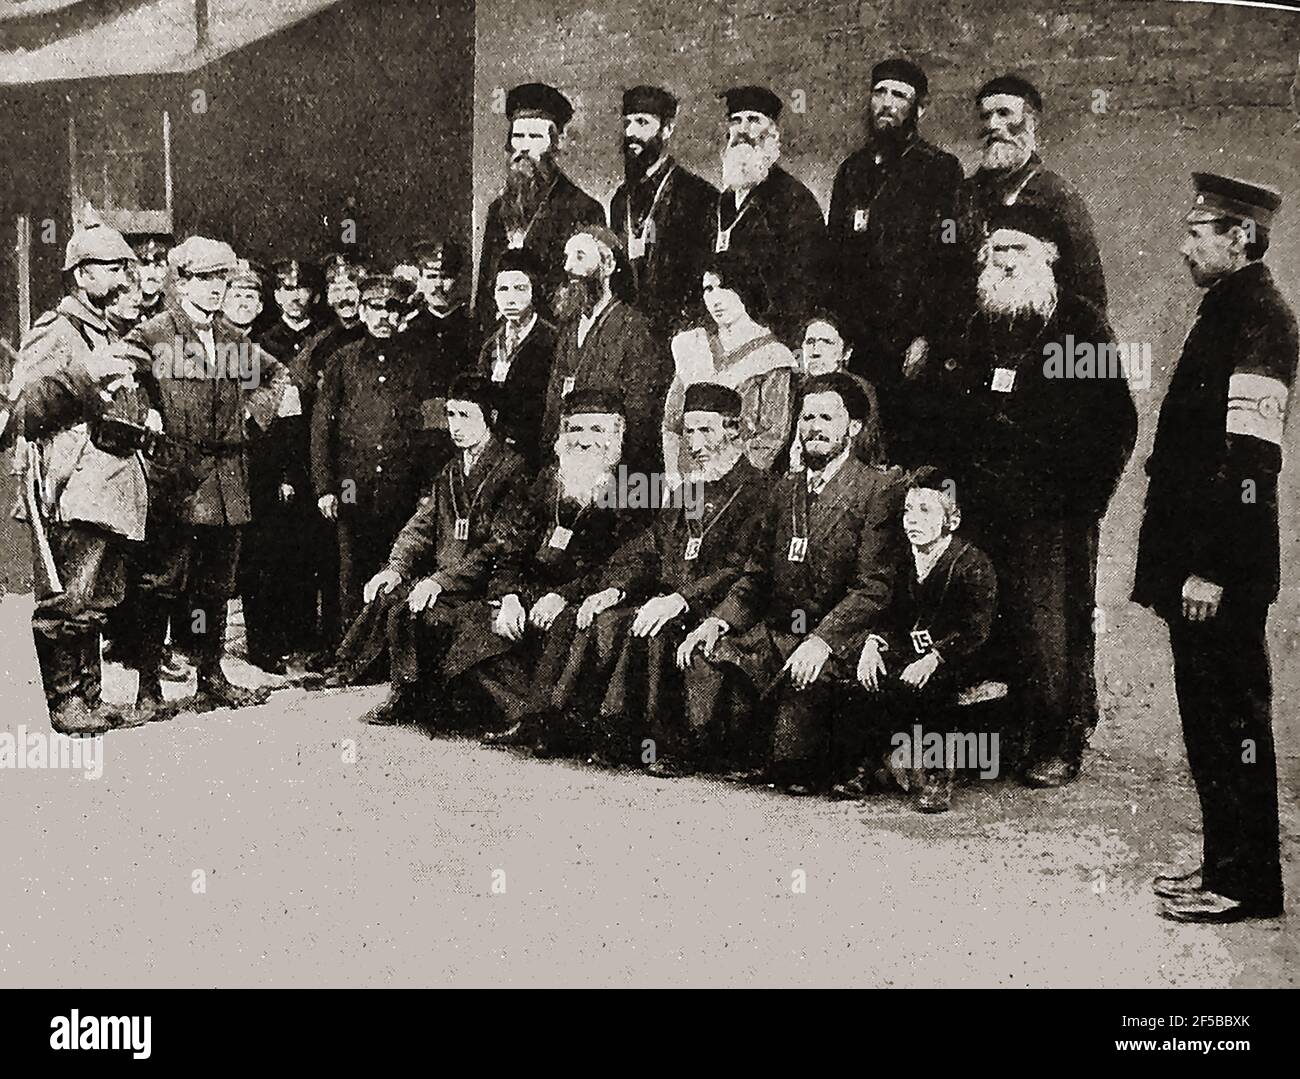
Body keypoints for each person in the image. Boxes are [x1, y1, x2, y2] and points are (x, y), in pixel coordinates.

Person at [1134, 174, 1295, 924]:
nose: (1184, 241)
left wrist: (1210, 568)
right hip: (1199, 563)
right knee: (1211, 722)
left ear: (1242, 237)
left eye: (1200, 229)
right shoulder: (1228, 309)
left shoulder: (1262, 318)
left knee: (1232, 723)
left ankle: (1248, 882)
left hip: (1219, 571)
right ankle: (1225, 864)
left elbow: (1250, 467)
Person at [932, 203, 1136, 787]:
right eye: (995, 250)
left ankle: (1060, 739)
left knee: (1051, 625)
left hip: (1052, 512)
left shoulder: (1081, 326)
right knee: (985, 621)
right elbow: (945, 413)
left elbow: (1117, 422)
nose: (1004, 261)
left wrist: (1082, 503)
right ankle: (995, 740)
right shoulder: (975, 324)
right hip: (981, 506)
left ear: (1047, 255)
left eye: (1017, 250)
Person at [677, 373, 903, 792]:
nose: (814, 427)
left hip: (837, 637)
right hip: (780, 633)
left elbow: (874, 587)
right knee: (708, 653)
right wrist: (718, 621)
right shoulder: (785, 489)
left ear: (853, 427)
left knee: (796, 765)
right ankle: (745, 749)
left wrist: (822, 641)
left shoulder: (877, 488)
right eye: (807, 417)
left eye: (827, 418)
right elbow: (757, 574)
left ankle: (807, 758)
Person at [562, 382, 770, 773]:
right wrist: (614, 589)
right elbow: (650, 550)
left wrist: (681, 600)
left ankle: (672, 745)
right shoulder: (685, 491)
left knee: (661, 629)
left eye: (706, 430)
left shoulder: (761, 491)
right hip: (672, 601)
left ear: (734, 430)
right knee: (608, 620)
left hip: (721, 609)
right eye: (689, 431)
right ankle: (612, 732)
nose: (695, 443)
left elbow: (741, 567)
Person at [124, 236, 291, 713]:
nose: (217, 289)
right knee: (161, 582)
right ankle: (148, 685)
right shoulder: (155, 335)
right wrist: (146, 417)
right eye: (206, 279)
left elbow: (279, 377)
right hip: (176, 477)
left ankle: (210, 675)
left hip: (227, 480)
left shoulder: (236, 341)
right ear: (182, 282)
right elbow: (123, 380)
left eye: (224, 279)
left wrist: (253, 414)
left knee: (215, 585)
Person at [6, 223, 156, 734]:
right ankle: (65, 701)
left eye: (125, 269)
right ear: (82, 275)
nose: (122, 278)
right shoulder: (58, 329)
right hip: (75, 484)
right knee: (69, 596)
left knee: (100, 597)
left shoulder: (109, 328)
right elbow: (22, 411)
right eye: (112, 269)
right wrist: (84, 374)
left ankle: (91, 698)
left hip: (113, 484)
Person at [326, 374, 530, 725]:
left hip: (484, 583)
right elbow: (421, 526)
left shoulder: (513, 470)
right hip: (447, 579)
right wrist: (395, 567)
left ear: (491, 418)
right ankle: (395, 687)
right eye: (451, 415)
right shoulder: (451, 470)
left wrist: (440, 582)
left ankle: (411, 695)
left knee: (419, 610)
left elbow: (500, 547)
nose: (456, 426)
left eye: (466, 416)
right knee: (390, 594)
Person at [459, 389, 644, 750]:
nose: (584, 440)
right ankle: (525, 714)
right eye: (575, 429)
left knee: (566, 626)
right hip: (533, 593)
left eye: (596, 429)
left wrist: (562, 596)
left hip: (585, 597)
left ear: (616, 436)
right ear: (562, 436)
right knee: (473, 619)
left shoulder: (633, 487)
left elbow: (622, 564)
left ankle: (540, 721)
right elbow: (511, 546)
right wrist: (510, 595)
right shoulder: (546, 481)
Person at [825, 58, 962, 463]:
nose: (886, 103)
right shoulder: (851, 172)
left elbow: (950, 260)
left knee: (907, 453)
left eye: (899, 95)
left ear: (919, 109)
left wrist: (927, 337)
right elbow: (834, 261)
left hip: (911, 348)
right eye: (879, 92)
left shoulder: (941, 170)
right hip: (860, 344)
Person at [849, 467, 998, 812]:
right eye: (907, 510)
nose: (911, 520)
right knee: (866, 674)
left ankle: (937, 776)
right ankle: (867, 762)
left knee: (934, 687)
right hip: (913, 650)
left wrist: (934, 658)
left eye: (925, 511)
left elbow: (976, 631)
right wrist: (874, 643)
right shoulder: (903, 561)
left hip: (960, 656)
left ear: (953, 520)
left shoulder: (972, 564)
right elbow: (891, 616)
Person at [312, 273, 443, 622]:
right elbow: (322, 427)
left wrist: (430, 489)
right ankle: (347, 653)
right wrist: (325, 488)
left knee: (398, 566)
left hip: (403, 486)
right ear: (363, 310)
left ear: (403, 314)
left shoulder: (422, 362)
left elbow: (433, 433)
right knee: (352, 569)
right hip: (352, 485)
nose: (384, 316)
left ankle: (386, 653)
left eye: (393, 308)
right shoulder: (342, 361)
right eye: (375, 307)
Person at [952, 75, 1107, 316]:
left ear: (1031, 122)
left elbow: (1089, 293)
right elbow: (944, 275)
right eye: (985, 116)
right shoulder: (965, 196)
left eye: (1004, 114)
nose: (993, 125)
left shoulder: (1058, 197)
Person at [474, 82, 604, 334]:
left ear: (555, 145)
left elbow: (585, 297)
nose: (523, 147)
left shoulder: (583, 209)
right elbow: (484, 294)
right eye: (518, 136)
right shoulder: (498, 210)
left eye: (534, 137)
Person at [661, 252, 794, 483]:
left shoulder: (773, 356)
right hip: (688, 480)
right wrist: (674, 475)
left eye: (725, 288)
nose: (716, 299)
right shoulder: (692, 345)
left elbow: (773, 435)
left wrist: (726, 477)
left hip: (742, 483)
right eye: (709, 289)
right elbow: (672, 423)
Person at [540, 226, 665, 471]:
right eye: (567, 257)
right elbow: (553, 407)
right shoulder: (569, 330)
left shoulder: (635, 327)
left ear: (607, 265)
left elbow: (639, 417)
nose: (567, 267)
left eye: (579, 257)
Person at [712, 85, 826, 344]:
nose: (743, 130)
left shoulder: (794, 200)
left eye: (753, 120)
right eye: (736, 120)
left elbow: (804, 287)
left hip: (771, 338)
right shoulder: (724, 200)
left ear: (773, 133)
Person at [608, 85, 719, 335]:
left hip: (680, 333)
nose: (631, 132)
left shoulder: (699, 195)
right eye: (627, 123)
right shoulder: (619, 199)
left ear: (667, 130)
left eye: (642, 122)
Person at [474, 248, 557, 468]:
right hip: (496, 454)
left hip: (534, 453)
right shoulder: (491, 345)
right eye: (502, 289)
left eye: (520, 289)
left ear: (535, 291)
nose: (510, 299)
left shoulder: (552, 341)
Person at [789, 312, 884, 467]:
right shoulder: (794, 390)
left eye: (826, 342)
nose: (815, 351)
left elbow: (865, 447)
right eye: (810, 342)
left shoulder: (860, 391)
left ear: (846, 353)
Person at [404, 239, 478, 378]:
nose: (438, 284)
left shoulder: (472, 326)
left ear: (458, 279)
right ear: (420, 280)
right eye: (431, 277)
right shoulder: (411, 327)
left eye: (445, 277)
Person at [129, 234, 172, 320]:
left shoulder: (171, 312)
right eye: (145, 263)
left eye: (159, 264)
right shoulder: (125, 310)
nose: (152, 271)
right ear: (133, 267)